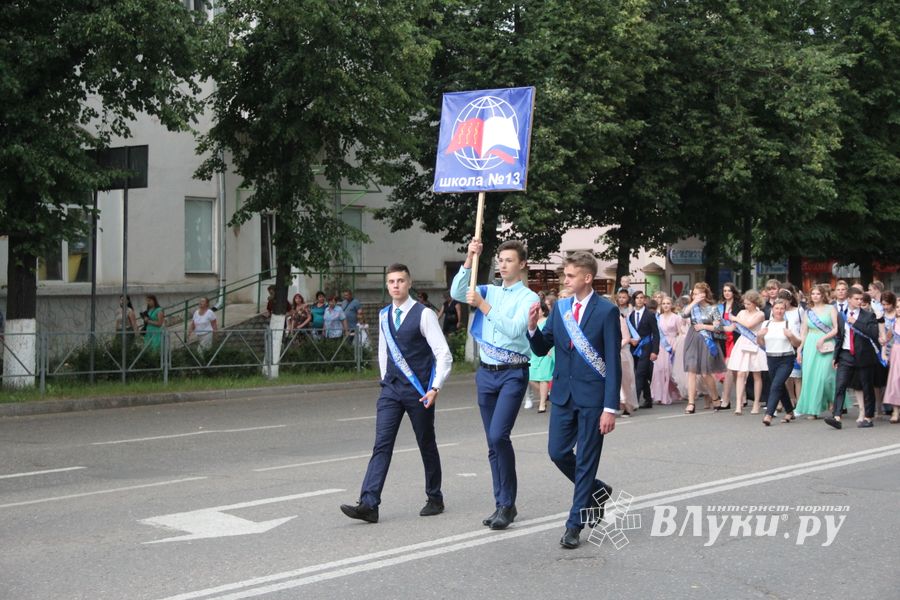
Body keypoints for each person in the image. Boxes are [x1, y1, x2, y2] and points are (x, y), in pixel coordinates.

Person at [340, 264, 453, 523]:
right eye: (391, 281)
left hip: (419, 392)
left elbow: (443, 354)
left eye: (400, 280)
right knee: (381, 445)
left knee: (426, 443)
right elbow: (383, 351)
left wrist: (435, 388)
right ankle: (369, 503)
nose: (395, 285)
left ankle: (435, 496)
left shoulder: (423, 315)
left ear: (409, 283)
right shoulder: (383, 315)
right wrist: (384, 379)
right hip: (391, 390)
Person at [527, 251, 621, 549]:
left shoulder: (606, 311)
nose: (563, 280)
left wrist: (610, 408)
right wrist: (532, 328)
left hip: (593, 399)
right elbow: (543, 348)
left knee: (586, 461)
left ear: (587, 278)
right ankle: (597, 490)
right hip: (564, 395)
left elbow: (612, 363)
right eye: (564, 275)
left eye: (569, 276)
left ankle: (574, 524)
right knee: (557, 452)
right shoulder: (561, 309)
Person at [451, 239, 539, 531]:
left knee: (500, 435)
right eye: (500, 260)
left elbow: (516, 330)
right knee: (492, 441)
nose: (502, 265)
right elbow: (456, 292)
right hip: (486, 373)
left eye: (509, 260)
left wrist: (485, 307)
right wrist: (468, 259)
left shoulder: (528, 298)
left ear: (522, 264)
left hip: (513, 372)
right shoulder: (488, 290)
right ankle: (502, 503)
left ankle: (507, 503)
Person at [825, 286, 881, 429]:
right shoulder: (841, 315)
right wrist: (835, 357)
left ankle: (868, 417)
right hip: (845, 354)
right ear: (849, 299)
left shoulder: (868, 315)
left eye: (861, 299)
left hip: (863, 355)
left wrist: (855, 323)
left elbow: (873, 333)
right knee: (840, 385)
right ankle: (836, 416)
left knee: (866, 386)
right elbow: (839, 337)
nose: (859, 301)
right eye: (856, 299)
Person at [795, 285, 838, 418]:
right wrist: (799, 349)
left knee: (826, 377)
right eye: (813, 293)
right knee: (811, 377)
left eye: (818, 293)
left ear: (823, 295)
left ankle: (832, 400)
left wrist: (824, 338)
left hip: (827, 343)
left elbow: (836, 329)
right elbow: (804, 332)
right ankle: (813, 409)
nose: (815, 296)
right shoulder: (808, 312)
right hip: (811, 344)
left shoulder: (831, 309)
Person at [681, 283, 725, 413]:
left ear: (705, 294)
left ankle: (715, 398)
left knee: (706, 373)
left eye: (698, 293)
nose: (695, 296)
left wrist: (704, 327)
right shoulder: (692, 308)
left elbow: (719, 328)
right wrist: (693, 302)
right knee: (691, 371)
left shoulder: (713, 309)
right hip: (693, 339)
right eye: (693, 293)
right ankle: (691, 402)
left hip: (707, 340)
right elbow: (683, 314)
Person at [757, 299, 802, 426]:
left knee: (776, 385)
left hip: (786, 358)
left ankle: (769, 414)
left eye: (782, 308)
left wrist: (791, 336)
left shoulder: (789, 324)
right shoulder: (766, 324)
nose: (779, 311)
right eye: (777, 308)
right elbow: (761, 344)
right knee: (780, 386)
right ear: (773, 310)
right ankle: (789, 411)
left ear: (785, 310)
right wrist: (759, 336)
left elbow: (797, 343)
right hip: (771, 358)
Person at [724, 290, 767, 414]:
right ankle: (738, 404)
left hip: (754, 344)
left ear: (754, 303)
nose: (746, 306)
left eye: (748, 304)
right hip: (742, 344)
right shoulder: (742, 312)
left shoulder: (760, 314)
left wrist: (735, 318)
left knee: (756, 375)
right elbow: (731, 327)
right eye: (745, 303)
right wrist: (716, 326)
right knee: (741, 373)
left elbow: (748, 325)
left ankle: (756, 404)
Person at [628, 291, 659, 409]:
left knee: (639, 374)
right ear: (634, 300)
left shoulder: (650, 315)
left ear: (644, 300)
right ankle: (648, 399)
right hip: (634, 348)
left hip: (646, 348)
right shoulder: (631, 316)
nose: (640, 300)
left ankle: (633, 401)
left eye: (642, 298)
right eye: (637, 298)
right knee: (643, 374)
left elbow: (656, 334)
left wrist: (655, 351)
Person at [652, 295, 681, 404]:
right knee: (659, 370)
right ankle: (659, 395)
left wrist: (675, 345)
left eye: (668, 303)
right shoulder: (658, 318)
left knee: (668, 370)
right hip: (660, 345)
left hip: (672, 344)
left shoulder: (676, 317)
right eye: (663, 303)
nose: (666, 305)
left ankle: (671, 393)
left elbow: (680, 333)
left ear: (671, 305)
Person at [717, 283, 742, 408]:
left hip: (735, 340)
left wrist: (721, 327)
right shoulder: (720, 307)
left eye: (729, 290)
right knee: (735, 371)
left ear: (733, 292)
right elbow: (716, 324)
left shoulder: (739, 306)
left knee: (729, 369)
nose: (726, 293)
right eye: (724, 290)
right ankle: (742, 397)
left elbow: (735, 326)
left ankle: (725, 399)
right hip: (724, 340)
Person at [527, 302, 554, 413]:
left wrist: (551, 350)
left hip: (547, 353)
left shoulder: (548, 321)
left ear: (543, 311)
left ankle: (542, 404)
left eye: (539, 310)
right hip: (532, 353)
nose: (537, 313)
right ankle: (547, 393)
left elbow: (551, 337)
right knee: (530, 377)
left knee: (543, 378)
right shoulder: (531, 321)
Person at [882, 294, 900, 423]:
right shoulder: (894, 323)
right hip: (896, 353)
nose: (899, 309)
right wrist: (884, 353)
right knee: (895, 381)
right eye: (898, 307)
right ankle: (895, 411)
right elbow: (886, 339)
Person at [618, 310, 639, 415]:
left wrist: (614, 347)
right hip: (607, 354)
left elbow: (626, 338)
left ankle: (627, 406)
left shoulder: (620, 319)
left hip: (622, 353)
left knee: (625, 380)